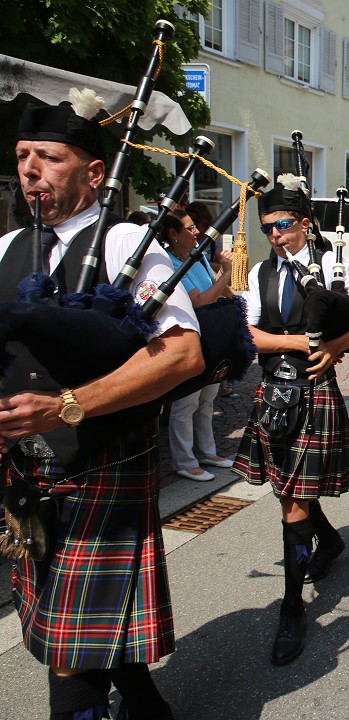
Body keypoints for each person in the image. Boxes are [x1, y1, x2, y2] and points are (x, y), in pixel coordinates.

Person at [3, 94, 203, 719]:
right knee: (77, 625)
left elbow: (181, 356)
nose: (30, 169)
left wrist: (68, 405)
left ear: (94, 172)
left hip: (101, 464)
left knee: (69, 647)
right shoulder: (6, 245)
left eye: (49, 157)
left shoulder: (124, 243)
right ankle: (146, 704)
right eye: (22, 157)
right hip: (26, 473)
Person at [233, 175, 349, 665]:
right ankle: (332, 540)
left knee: (292, 501)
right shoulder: (259, 274)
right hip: (274, 392)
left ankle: (291, 606)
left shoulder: (332, 263)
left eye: (282, 225)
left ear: (304, 224)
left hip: (314, 392)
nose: (275, 235)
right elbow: (248, 332)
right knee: (287, 491)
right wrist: (299, 343)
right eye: (267, 229)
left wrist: (337, 346)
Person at [160, 211, 235, 481]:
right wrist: (226, 272)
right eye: (190, 228)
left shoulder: (199, 255)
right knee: (186, 402)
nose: (196, 232)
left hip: (211, 333)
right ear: (173, 234)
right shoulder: (168, 262)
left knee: (207, 399)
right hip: (189, 336)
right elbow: (200, 300)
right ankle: (184, 460)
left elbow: (221, 292)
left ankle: (207, 451)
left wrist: (226, 279)